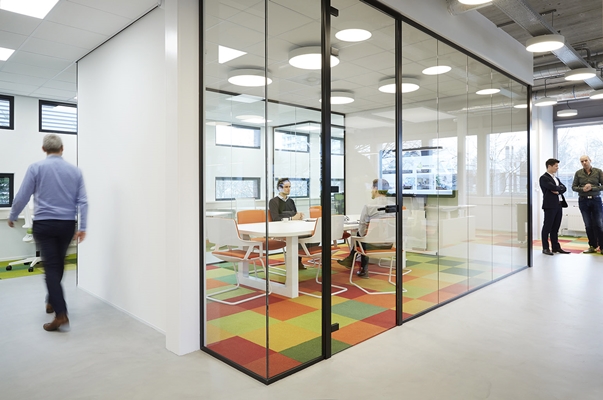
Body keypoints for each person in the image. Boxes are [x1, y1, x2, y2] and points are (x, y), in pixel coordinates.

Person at [8, 134, 88, 332]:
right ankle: (51, 300)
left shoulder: (36, 168)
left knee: (52, 267)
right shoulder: (75, 171)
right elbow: (83, 201)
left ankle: (61, 314)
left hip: (44, 224)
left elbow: (22, 195)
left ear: (44, 149)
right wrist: (82, 227)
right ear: (62, 149)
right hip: (67, 225)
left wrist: (13, 215)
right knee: (58, 264)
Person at [337, 178, 395, 278]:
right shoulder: (394, 205)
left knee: (361, 235)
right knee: (366, 235)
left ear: (376, 189)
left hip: (371, 246)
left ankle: (361, 267)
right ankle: (354, 263)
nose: (371, 190)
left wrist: (363, 234)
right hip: (389, 244)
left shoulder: (369, 206)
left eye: (372, 188)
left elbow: (362, 227)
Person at [269, 178, 306, 269]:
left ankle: (297, 259)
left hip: (293, 226)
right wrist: (291, 217)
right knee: (299, 237)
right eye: (286, 187)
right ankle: (295, 262)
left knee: (308, 235)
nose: (288, 189)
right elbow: (276, 218)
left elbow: (294, 214)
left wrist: (299, 216)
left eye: (289, 187)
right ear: (279, 188)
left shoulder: (291, 201)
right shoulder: (273, 201)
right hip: (280, 228)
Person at [572, 155, 603, 254]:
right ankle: (592, 246)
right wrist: (583, 189)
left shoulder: (598, 171)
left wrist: (592, 188)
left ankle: (602, 247)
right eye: (582, 161)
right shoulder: (578, 173)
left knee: (599, 224)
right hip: (583, 201)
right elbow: (574, 187)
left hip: (596, 200)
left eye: (586, 160)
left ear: (590, 160)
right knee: (588, 225)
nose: (584, 163)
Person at [539, 158, 569, 255]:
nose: (557, 168)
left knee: (555, 227)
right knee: (547, 227)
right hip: (550, 206)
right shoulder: (544, 178)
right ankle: (545, 248)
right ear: (549, 166)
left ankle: (555, 247)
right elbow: (553, 187)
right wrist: (559, 188)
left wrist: (558, 190)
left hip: (559, 205)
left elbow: (564, 188)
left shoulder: (556, 178)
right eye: (556, 166)